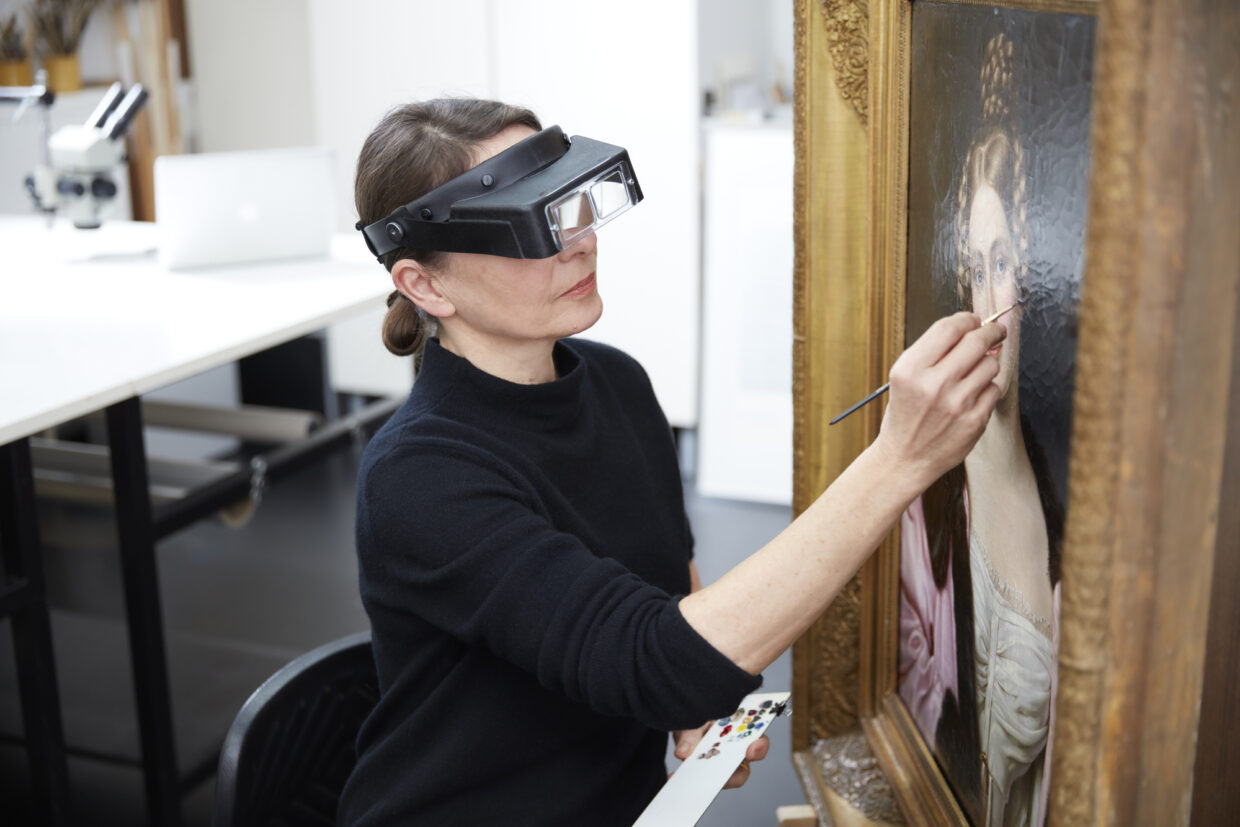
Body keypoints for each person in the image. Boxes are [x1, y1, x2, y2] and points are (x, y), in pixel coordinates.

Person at [338, 97, 1007, 827]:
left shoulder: (617, 383)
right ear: (425, 285)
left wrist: (697, 700)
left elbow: (669, 596)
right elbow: (658, 658)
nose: (578, 244)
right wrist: (901, 460)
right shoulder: (419, 477)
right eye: (528, 227)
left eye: (573, 206)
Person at [897, 32, 1063, 827]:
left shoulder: (1075, 505)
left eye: (1003, 263)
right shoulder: (927, 484)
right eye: (972, 265)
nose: (986, 304)